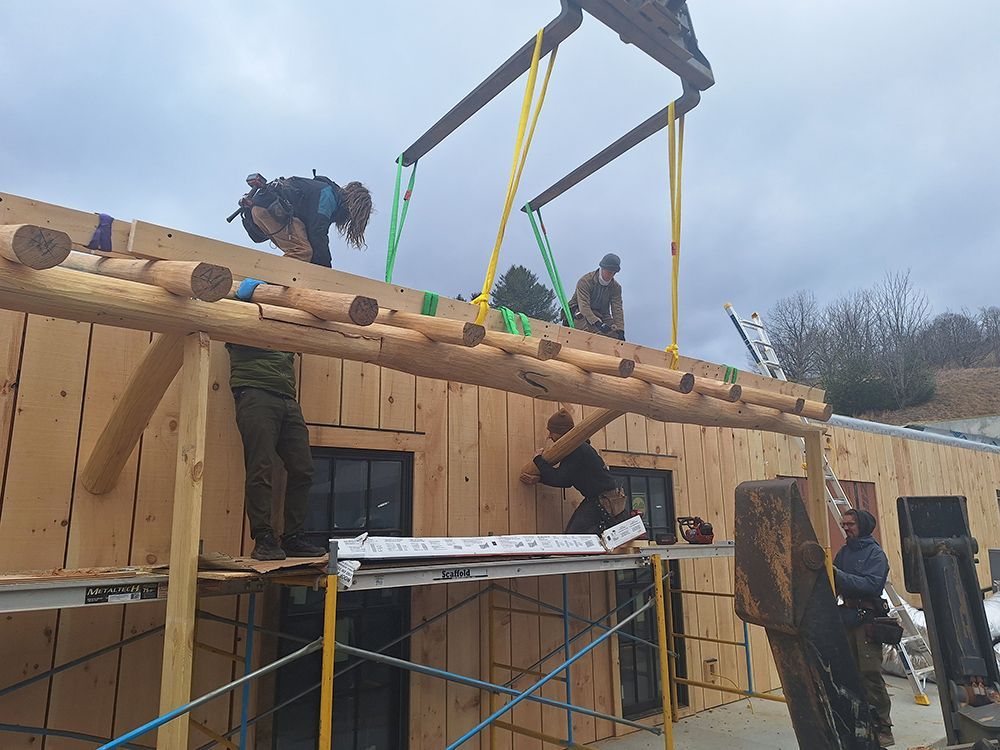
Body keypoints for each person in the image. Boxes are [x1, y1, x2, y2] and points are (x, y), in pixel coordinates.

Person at [230, 172, 372, 560]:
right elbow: (320, 233)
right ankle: (264, 540)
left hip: (284, 398)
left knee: (303, 469)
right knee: (304, 257)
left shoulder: (288, 312)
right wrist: (323, 273)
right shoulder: (328, 196)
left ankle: (293, 536)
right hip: (255, 391)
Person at [834, 508, 893, 748]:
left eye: (850, 524)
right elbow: (831, 580)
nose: (846, 527)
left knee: (870, 674)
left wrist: (839, 576)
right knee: (847, 673)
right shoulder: (843, 553)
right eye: (844, 523)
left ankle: (882, 726)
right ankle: (857, 722)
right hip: (847, 617)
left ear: (864, 526)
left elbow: (871, 585)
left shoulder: (875, 555)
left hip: (867, 620)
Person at [519, 409, 627, 534]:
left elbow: (559, 479)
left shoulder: (576, 450)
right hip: (603, 498)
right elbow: (566, 480)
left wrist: (538, 460)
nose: (549, 436)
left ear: (561, 433)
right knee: (578, 535)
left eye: (552, 432)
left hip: (603, 500)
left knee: (575, 537)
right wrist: (540, 479)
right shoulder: (579, 448)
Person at [241, 173, 373, 266]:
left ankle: (267, 281)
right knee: (302, 251)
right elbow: (317, 231)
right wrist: (325, 269)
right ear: (354, 207)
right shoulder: (328, 197)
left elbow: (312, 233)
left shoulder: (324, 191)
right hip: (271, 209)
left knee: (297, 253)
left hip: (259, 208)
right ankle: (264, 284)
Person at [567, 253, 625, 340]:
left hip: (602, 315)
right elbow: (584, 306)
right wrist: (598, 324)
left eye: (614, 273)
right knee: (586, 334)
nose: (611, 276)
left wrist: (620, 330)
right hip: (579, 312)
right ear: (602, 268)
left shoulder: (616, 288)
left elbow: (617, 309)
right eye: (609, 272)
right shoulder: (585, 281)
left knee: (615, 335)